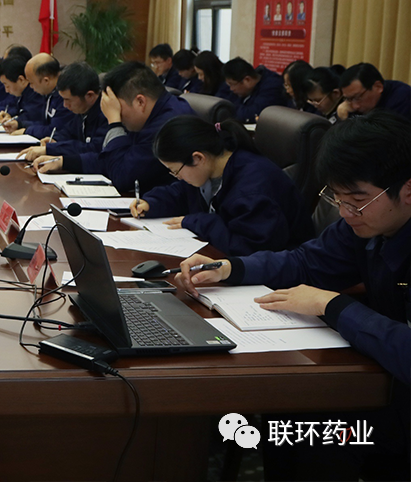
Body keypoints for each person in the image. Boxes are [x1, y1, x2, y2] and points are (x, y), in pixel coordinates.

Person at [175, 111, 409, 482]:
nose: (345, 212)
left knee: (311, 431)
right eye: (337, 198)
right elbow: (306, 262)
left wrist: (332, 305)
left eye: (357, 200)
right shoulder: (369, 223)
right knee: (286, 408)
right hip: (382, 378)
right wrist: (231, 268)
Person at [130, 115, 314, 255]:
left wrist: (199, 222)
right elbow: (183, 193)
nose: (177, 177)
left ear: (198, 158)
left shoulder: (251, 190)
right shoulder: (214, 166)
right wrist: (152, 203)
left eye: (176, 171)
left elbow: (249, 249)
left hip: (281, 272)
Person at [30, 61, 195, 196]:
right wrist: (65, 162)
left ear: (140, 102)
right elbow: (108, 159)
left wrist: (114, 122)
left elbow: (121, 175)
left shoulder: (166, 125)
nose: (114, 113)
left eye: (117, 108)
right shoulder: (148, 115)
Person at [21, 62, 108, 162]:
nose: (65, 105)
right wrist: (56, 140)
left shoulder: (106, 114)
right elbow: (68, 132)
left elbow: (93, 148)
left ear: (89, 96)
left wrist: (51, 149)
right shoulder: (82, 110)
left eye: (68, 100)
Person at [5, 53, 70, 138]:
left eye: (31, 83)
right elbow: (44, 122)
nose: (31, 87)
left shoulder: (65, 96)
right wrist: (19, 124)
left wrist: (27, 131)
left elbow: (55, 130)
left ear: (46, 81)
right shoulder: (48, 94)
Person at [223, 57, 292, 122]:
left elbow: (250, 115)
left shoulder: (272, 87)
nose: (231, 89)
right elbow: (224, 104)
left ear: (247, 80)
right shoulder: (243, 89)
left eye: (232, 84)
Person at [338, 62, 410, 120]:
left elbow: (379, 132)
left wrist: (349, 118)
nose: (355, 106)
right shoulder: (356, 105)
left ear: (378, 87)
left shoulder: (403, 98)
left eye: (357, 97)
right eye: (348, 99)